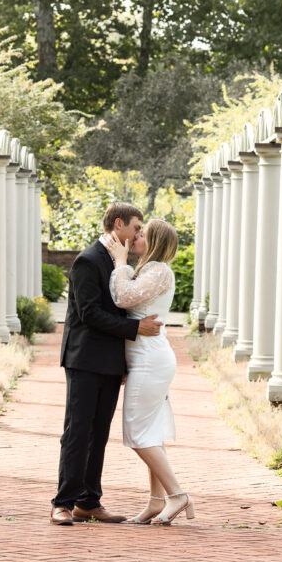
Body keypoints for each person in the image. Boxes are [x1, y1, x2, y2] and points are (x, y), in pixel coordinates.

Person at [50, 203, 163, 526]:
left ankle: (89, 502)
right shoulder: (87, 260)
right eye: (136, 228)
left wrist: (127, 359)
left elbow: (123, 306)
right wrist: (135, 329)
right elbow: (88, 313)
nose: (139, 234)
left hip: (111, 361)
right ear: (118, 224)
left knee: (99, 433)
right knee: (77, 431)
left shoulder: (121, 262)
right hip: (84, 358)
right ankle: (62, 503)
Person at [106, 219, 195, 526]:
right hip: (144, 359)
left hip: (150, 360)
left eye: (142, 234)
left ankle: (177, 494)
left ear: (154, 241)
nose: (136, 237)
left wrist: (120, 263)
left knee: (137, 433)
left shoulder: (159, 270)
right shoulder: (150, 270)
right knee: (150, 432)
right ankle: (156, 501)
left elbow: (123, 298)